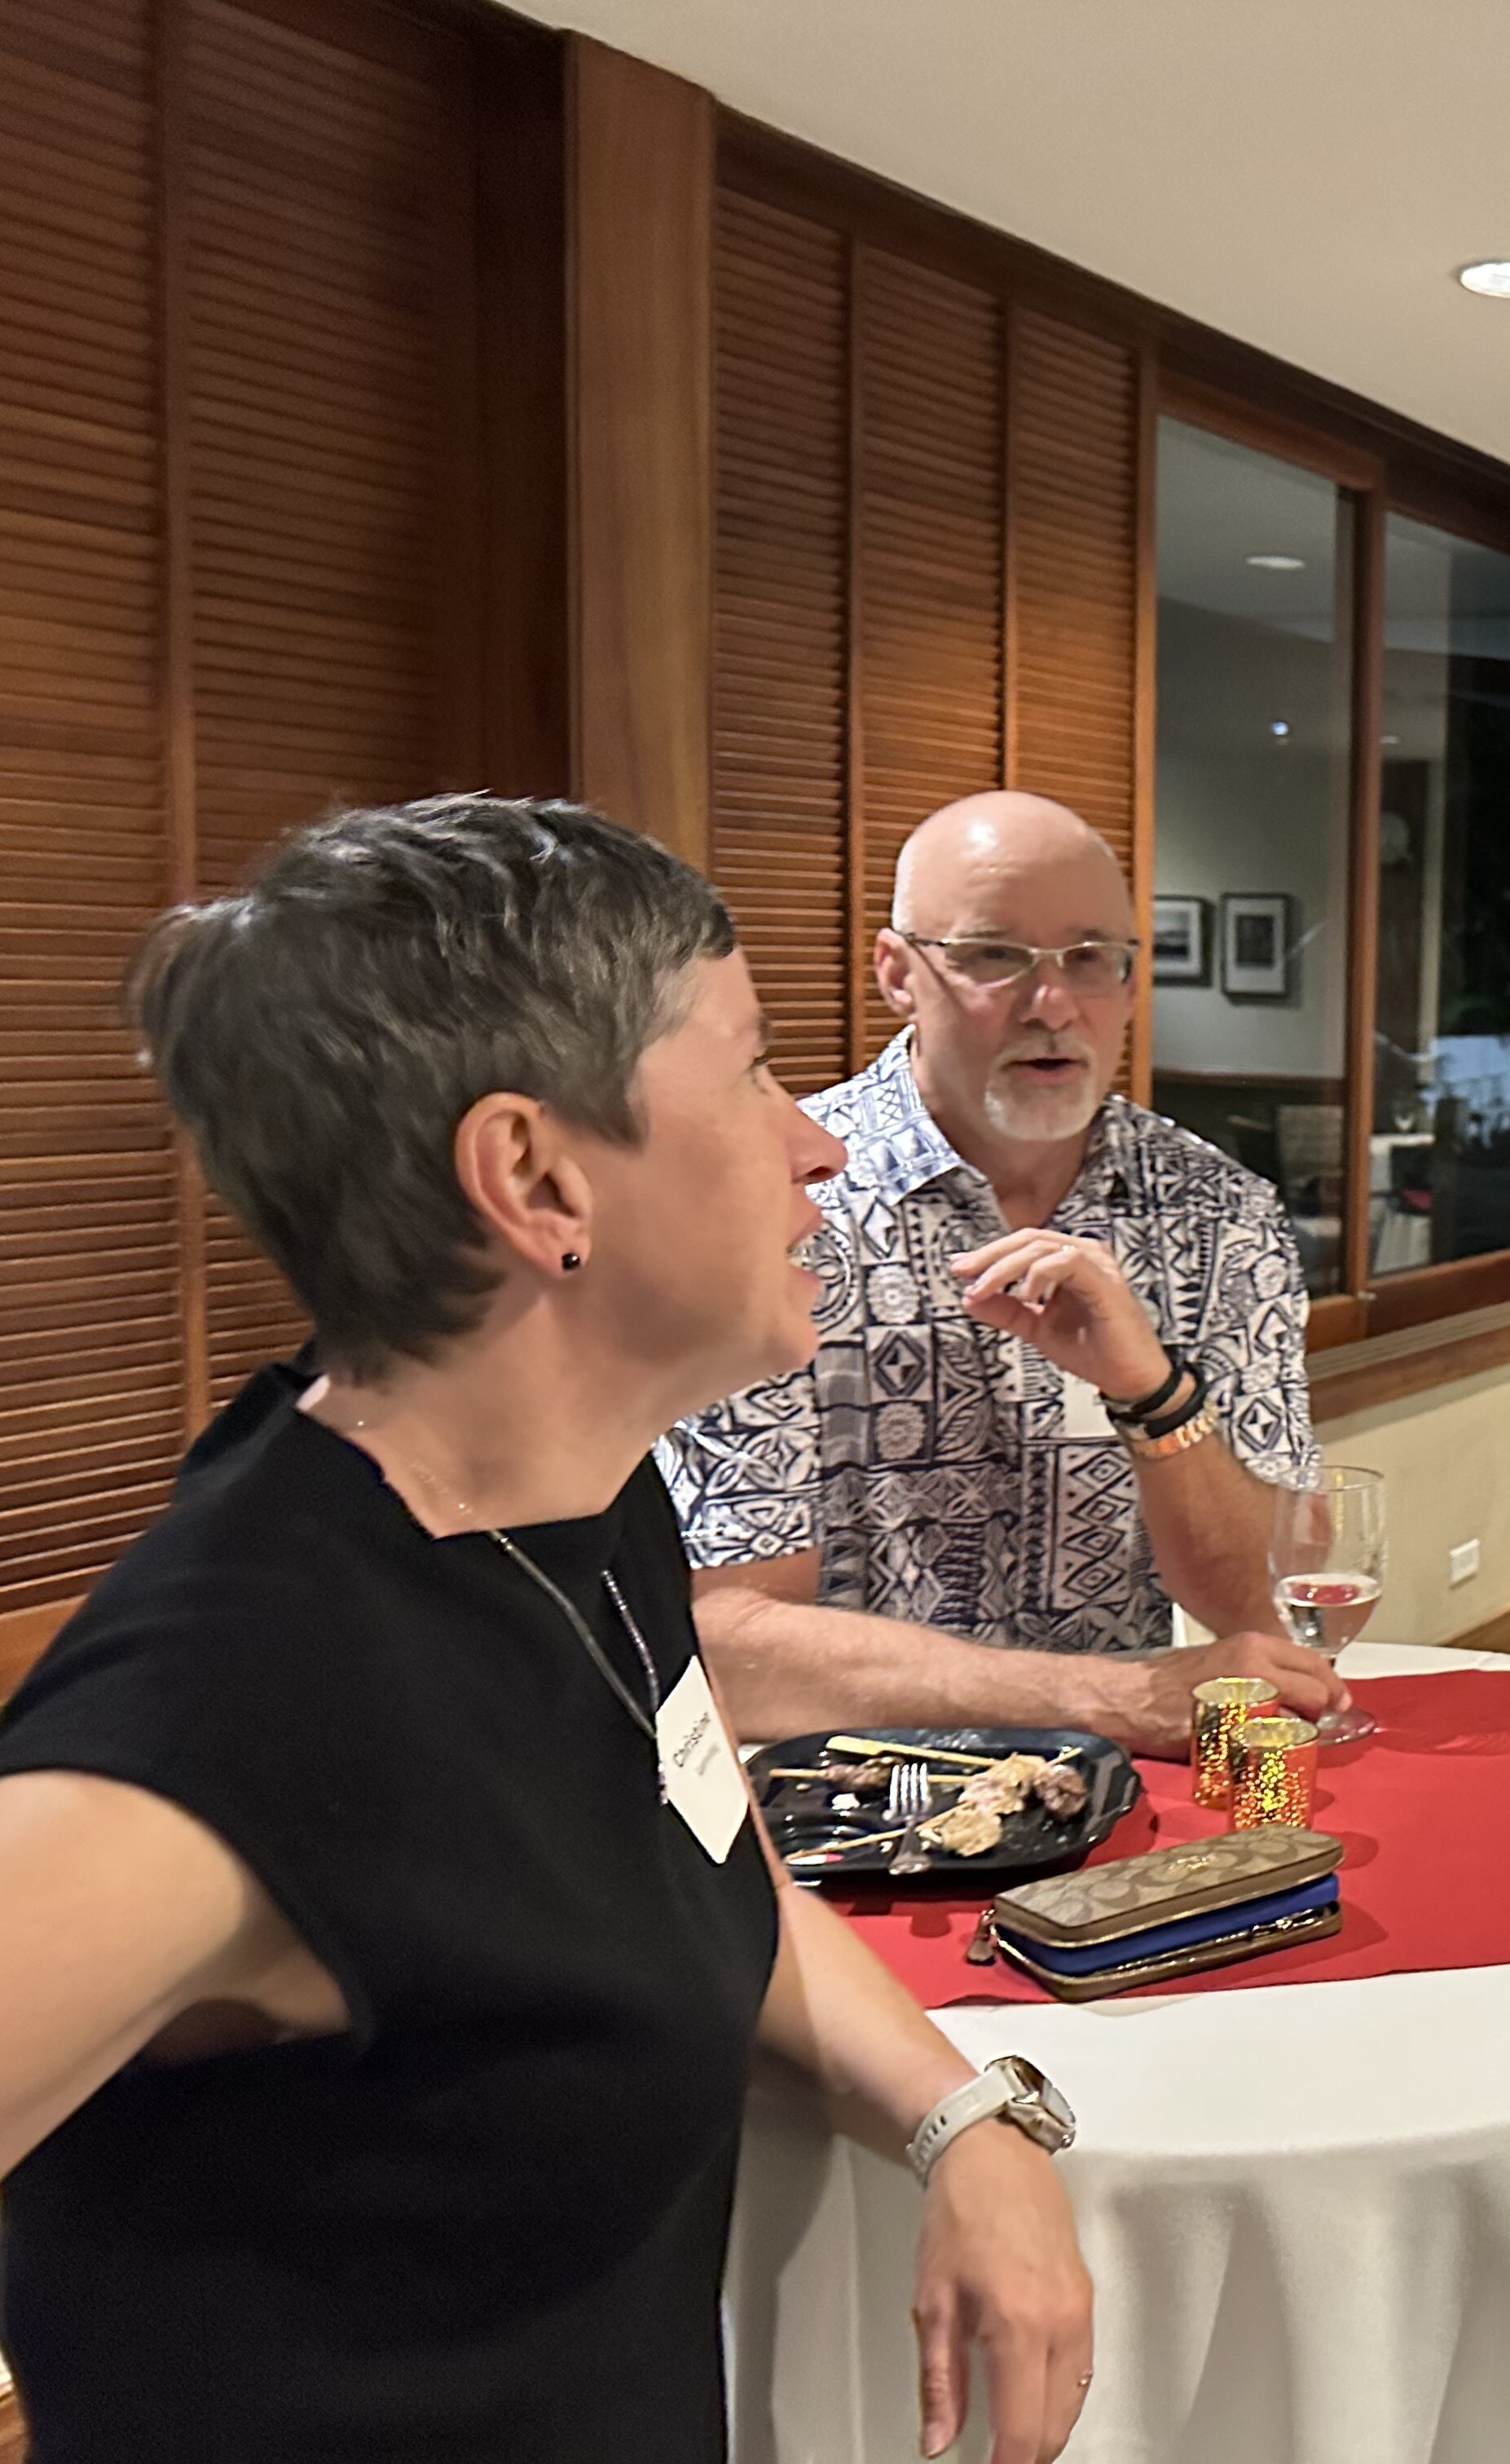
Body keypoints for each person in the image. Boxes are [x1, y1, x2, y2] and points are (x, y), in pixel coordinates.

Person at [0, 798, 1091, 2462]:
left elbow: (699, 1844)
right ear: (532, 1173)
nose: (821, 1141)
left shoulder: (575, 1504)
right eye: (747, 1068)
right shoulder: (244, 1706)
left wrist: (964, 2121)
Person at [662, 790, 1344, 1757]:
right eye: (993, 956)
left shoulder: (1217, 1214)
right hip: (849, 1817)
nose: (1053, 1004)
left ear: (1132, 983)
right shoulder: (780, 1203)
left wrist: (1154, 1394)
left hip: (1120, 1810)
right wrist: (1100, 1695)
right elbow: (728, 1643)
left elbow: (1263, 1600)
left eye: (1088, 959)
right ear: (897, 972)